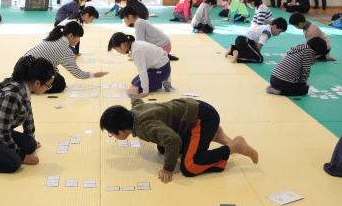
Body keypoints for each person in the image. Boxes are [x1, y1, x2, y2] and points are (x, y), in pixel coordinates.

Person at [100, 90, 258, 183]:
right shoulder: (136, 111)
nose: (112, 136)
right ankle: (216, 134)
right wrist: (133, 92)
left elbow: (173, 140)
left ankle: (235, 146)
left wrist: (167, 169)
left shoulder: (145, 128)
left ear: (121, 131)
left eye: (112, 133)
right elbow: (136, 101)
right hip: (195, 109)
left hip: (202, 118)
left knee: (189, 167)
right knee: (162, 148)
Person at [25, 21, 108, 94]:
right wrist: (94, 75)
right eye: (78, 37)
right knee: (60, 85)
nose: (79, 40)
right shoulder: (65, 50)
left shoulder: (56, 39)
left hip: (24, 67)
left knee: (59, 80)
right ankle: (30, 87)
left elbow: (52, 63)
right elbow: (77, 73)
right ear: (71, 35)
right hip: (29, 74)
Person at [108, 32, 172, 95]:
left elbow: (142, 72)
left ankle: (162, 81)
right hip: (156, 67)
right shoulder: (135, 45)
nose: (118, 52)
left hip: (163, 70)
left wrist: (145, 91)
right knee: (133, 82)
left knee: (136, 88)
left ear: (122, 45)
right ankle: (159, 82)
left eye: (116, 49)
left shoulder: (137, 51)